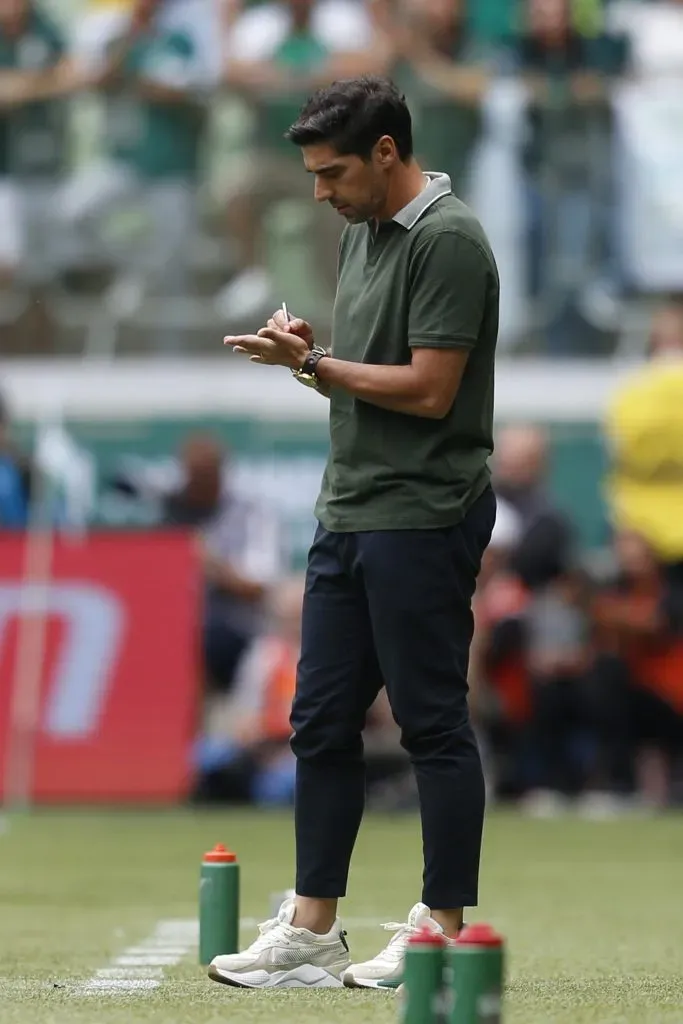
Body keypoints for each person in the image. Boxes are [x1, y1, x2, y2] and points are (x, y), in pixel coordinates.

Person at [211, 75, 499, 990]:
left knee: (431, 725)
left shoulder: (449, 240)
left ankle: (443, 929)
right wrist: (308, 355)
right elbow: (364, 371)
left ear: (387, 152)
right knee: (320, 723)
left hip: (422, 511)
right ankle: (312, 928)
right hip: (351, 507)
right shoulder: (362, 236)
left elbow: (429, 390)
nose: (318, 192)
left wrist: (318, 361)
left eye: (331, 172)